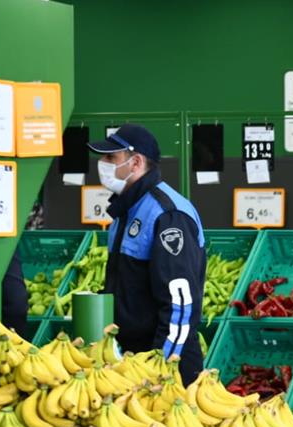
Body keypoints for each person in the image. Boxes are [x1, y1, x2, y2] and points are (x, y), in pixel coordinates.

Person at [88, 124, 206, 382]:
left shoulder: (168, 214)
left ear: (136, 162)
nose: (102, 163)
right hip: (130, 357)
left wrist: (162, 366)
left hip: (164, 363)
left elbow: (180, 303)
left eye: (111, 157)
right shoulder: (125, 209)